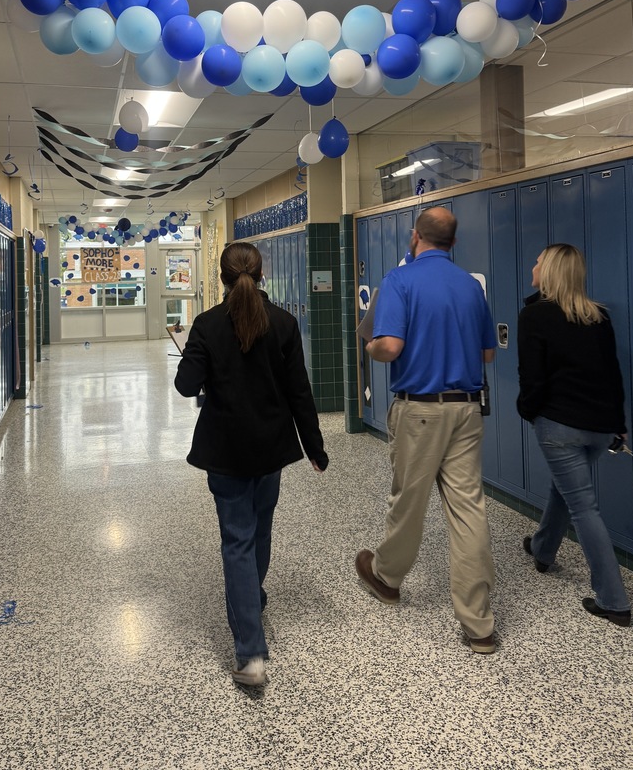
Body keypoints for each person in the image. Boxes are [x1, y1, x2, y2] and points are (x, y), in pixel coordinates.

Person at [175, 241, 328, 686]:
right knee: (259, 531)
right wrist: (315, 449)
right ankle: (250, 601)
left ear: (222, 277)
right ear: (262, 275)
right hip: (270, 450)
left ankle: (250, 653)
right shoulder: (283, 322)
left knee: (238, 540)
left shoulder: (206, 325)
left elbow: (187, 387)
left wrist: (193, 354)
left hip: (225, 453)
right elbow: (300, 391)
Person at [355, 207, 498, 654]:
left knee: (409, 501)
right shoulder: (469, 286)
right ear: (452, 244)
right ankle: (479, 625)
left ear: (415, 237)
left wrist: (372, 343)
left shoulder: (400, 281)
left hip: (420, 411)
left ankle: (387, 576)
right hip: (466, 410)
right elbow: (488, 356)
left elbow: (390, 346)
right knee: (468, 507)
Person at [517, 243, 631, 626]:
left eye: (538, 261)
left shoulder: (535, 316)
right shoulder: (598, 317)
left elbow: (532, 377)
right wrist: (619, 424)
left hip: (560, 426)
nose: (533, 265)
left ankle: (614, 600)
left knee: (583, 506)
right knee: (565, 490)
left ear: (548, 272)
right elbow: (613, 376)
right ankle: (542, 550)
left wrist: (527, 410)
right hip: (600, 427)